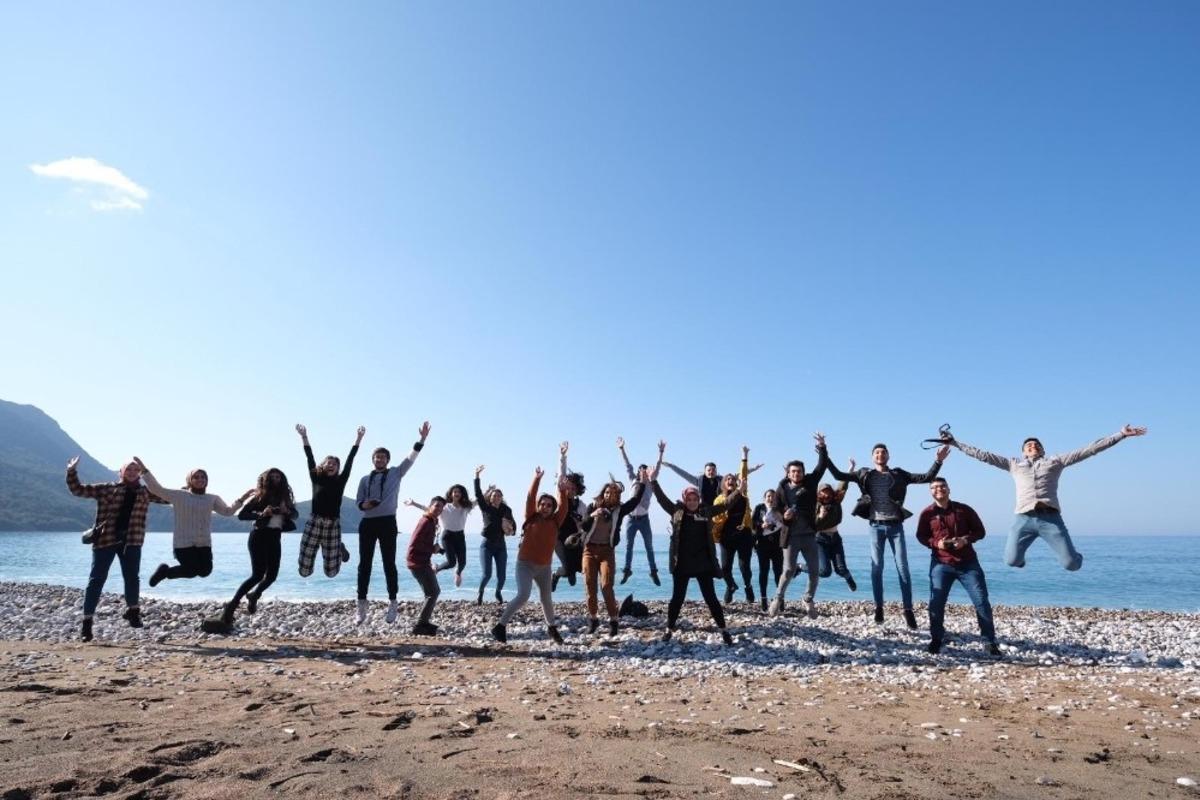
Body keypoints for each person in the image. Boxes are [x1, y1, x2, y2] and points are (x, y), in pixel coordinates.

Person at [945, 424, 1147, 571]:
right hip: (1023, 518)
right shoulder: (1014, 464)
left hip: (1050, 518)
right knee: (1012, 561)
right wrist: (955, 443)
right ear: (1023, 452)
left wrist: (1120, 435)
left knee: (1071, 565)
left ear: (1042, 449)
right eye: (1028, 445)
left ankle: (1076, 557)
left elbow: (1089, 450)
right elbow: (983, 455)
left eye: (1035, 444)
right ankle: (1021, 559)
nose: (1032, 446)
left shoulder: (1056, 461)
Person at [828, 443, 949, 628]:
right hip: (875, 527)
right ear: (872, 457)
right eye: (877, 452)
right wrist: (823, 451)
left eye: (883, 452)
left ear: (888, 456)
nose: (880, 455)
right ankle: (878, 607)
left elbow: (927, 477)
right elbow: (838, 475)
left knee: (903, 569)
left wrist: (938, 461)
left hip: (896, 527)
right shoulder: (864, 474)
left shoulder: (899, 475)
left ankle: (908, 610)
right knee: (876, 569)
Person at [66, 456, 169, 642]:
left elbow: (167, 497)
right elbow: (78, 490)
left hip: (132, 541)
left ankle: (133, 611)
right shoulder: (107, 488)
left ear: (139, 473)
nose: (132, 473)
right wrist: (72, 472)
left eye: (135, 470)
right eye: (128, 470)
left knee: (132, 577)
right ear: (120, 472)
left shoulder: (145, 492)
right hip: (105, 541)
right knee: (96, 580)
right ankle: (87, 623)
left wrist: (189, 491)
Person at [354, 421, 431, 624]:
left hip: (388, 523)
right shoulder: (364, 479)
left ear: (387, 460)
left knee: (389, 563)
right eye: (376, 457)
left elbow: (411, 458)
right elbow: (358, 502)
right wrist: (366, 505)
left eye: (383, 457)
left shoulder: (396, 473)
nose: (379, 459)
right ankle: (361, 604)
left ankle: (393, 602)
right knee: (364, 565)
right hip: (368, 523)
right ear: (373, 460)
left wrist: (422, 439)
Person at [914, 478, 1001, 657]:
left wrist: (965, 540)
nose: (939, 490)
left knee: (981, 600)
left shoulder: (964, 509)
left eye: (942, 486)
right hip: (941, 563)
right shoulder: (926, 513)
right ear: (931, 491)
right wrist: (937, 543)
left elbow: (980, 531)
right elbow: (921, 536)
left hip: (968, 563)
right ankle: (936, 638)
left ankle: (989, 641)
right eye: (935, 487)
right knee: (936, 602)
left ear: (949, 489)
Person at [137, 459, 253, 587]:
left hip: (204, 542)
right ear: (189, 480)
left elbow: (227, 511)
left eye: (203, 477)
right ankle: (165, 572)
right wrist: (144, 470)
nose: (200, 479)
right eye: (196, 477)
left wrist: (243, 498)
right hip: (183, 543)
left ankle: (166, 572)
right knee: (191, 570)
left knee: (205, 571)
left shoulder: (212, 498)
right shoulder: (179, 495)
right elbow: (156, 489)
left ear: (207, 480)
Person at [650, 468, 734, 646]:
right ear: (684, 499)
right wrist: (653, 481)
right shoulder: (676, 511)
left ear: (699, 499)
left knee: (710, 598)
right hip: (682, 563)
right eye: (689, 499)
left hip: (703, 563)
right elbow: (661, 499)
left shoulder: (706, 511)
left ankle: (724, 630)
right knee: (677, 599)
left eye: (695, 499)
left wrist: (739, 491)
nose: (692, 502)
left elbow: (725, 504)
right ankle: (669, 629)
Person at [492, 467, 569, 644]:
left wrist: (563, 491)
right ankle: (500, 626)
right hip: (525, 565)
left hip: (544, 567)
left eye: (549, 505)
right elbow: (529, 497)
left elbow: (564, 506)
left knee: (546, 598)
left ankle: (552, 628)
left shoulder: (556, 521)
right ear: (538, 505)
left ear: (553, 508)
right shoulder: (531, 516)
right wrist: (536, 479)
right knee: (523, 595)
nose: (545, 507)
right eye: (542, 504)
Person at [222, 468, 299, 624]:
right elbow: (242, 515)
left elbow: (295, 515)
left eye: (279, 477)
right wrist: (261, 514)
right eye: (272, 477)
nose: (276, 479)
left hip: (275, 537)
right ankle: (232, 605)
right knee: (257, 575)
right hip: (259, 536)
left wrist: (287, 512)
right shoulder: (260, 497)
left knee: (272, 576)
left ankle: (254, 595)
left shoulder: (285, 498)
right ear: (266, 479)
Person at [578, 472, 650, 636]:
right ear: (603, 493)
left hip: (606, 551)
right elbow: (583, 525)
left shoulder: (620, 510)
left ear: (618, 495)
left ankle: (613, 620)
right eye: (607, 492)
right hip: (589, 550)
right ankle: (593, 619)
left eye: (613, 493)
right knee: (589, 585)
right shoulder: (592, 507)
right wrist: (592, 515)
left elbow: (635, 501)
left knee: (606, 586)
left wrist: (643, 482)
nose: (609, 495)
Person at [768, 433, 831, 619]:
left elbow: (822, 466)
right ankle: (777, 598)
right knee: (787, 570)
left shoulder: (811, 483)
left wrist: (822, 447)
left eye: (799, 471)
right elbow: (775, 508)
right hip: (791, 536)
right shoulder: (782, 488)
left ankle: (808, 599)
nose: (797, 474)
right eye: (793, 471)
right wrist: (784, 516)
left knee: (814, 572)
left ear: (803, 472)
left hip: (810, 535)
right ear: (788, 473)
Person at [296, 423, 363, 579]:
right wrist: (304, 437)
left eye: (335, 464)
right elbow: (309, 456)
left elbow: (350, 460)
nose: (331, 465)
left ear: (338, 468)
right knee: (304, 572)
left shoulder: (341, 480)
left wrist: (358, 439)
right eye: (329, 463)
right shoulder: (316, 477)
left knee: (331, 573)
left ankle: (339, 548)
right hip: (314, 522)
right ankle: (335, 547)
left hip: (333, 525)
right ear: (323, 465)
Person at [615, 437, 661, 587]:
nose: (643, 473)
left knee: (649, 546)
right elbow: (627, 465)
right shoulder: (633, 479)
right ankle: (627, 570)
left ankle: (653, 571)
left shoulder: (650, 483)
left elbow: (658, 468)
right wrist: (622, 449)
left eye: (645, 471)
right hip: (631, 518)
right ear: (638, 472)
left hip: (644, 519)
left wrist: (660, 453)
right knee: (629, 546)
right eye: (641, 470)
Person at [407, 483, 473, 587]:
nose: (457, 493)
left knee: (463, 563)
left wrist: (487, 492)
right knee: (451, 562)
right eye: (455, 491)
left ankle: (458, 573)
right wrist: (414, 503)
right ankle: (437, 568)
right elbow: (427, 508)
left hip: (460, 536)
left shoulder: (465, 507)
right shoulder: (445, 507)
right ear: (451, 494)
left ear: (462, 494)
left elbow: (479, 502)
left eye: (459, 492)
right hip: (447, 536)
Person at [712, 446, 755, 605]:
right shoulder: (719, 500)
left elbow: (743, 475)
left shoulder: (743, 494)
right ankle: (730, 586)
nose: (730, 480)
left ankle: (748, 586)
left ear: (737, 482)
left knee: (745, 567)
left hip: (744, 536)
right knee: (724, 568)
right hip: (726, 537)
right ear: (723, 483)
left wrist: (744, 457)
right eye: (727, 479)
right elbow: (716, 517)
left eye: (733, 479)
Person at [808, 465, 858, 593]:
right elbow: (814, 526)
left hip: (835, 538)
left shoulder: (836, 501)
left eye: (828, 491)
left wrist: (850, 470)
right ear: (819, 493)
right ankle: (800, 567)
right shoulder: (815, 506)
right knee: (825, 572)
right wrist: (820, 516)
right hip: (820, 540)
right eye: (823, 491)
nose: (826, 494)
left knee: (841, 569)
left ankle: (849, 579)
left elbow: (842, 486)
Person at [474, 464, 517, 605]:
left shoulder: (506, 509)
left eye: (499, 495)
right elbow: (478, 494)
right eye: (494, 495)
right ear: (490, 497)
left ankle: (498, 592)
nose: (497, 497)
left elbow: (513, 524)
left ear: (501, 497)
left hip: (500, 545)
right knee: (487, 574)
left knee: (502, 576)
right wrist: (477, 477)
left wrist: (512, 530)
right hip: (486, 545)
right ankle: (480, 592)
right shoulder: (485, 508)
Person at [406, 495, 446, 635]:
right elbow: (415, 543)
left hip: (421, 561)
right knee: (433, 592)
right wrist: (432, 549)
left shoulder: (432, 521)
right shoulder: (425, 521)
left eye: (441, 507)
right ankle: (420, 625)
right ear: (430, 506)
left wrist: (439, 550)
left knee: (431, 592)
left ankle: (423, 623)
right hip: (417, 562)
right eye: (436, 505)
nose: (438, 509)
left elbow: (426, 542)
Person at [551, 441, 587, 591]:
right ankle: (557, 575)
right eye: (568, 487)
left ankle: (570, 570)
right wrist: (563, 456)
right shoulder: (560, 499)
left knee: (579, 567)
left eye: (573, 488)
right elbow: (561, 475)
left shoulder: (581, 506)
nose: (570, 491)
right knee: (567, 569)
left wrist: (579, 524)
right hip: (558, 539)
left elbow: (585, 526)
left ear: (577, 490)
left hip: (574, 540)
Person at [662, 454, 763, 507]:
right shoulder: (699, 480)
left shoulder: (722, 480)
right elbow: (684, 474)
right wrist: (671, 466)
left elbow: (737, 475)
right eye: (709, 470)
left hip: (719, 508)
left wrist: (753, 469)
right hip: (705, 508)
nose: (711, 472)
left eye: (713, 470)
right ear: (705, 471)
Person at [751, 489, 786, 612]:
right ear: (764, 497)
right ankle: (763, 599)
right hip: (762, 544)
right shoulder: (759, 508)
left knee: (778, 573)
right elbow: (752, 523)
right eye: (768, 496)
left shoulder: (779, 510)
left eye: (773, 497)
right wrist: (761, 525)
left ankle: (780, 600)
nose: (771, 499)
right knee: (763, 572)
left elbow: (785, 523)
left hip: (777, 545)